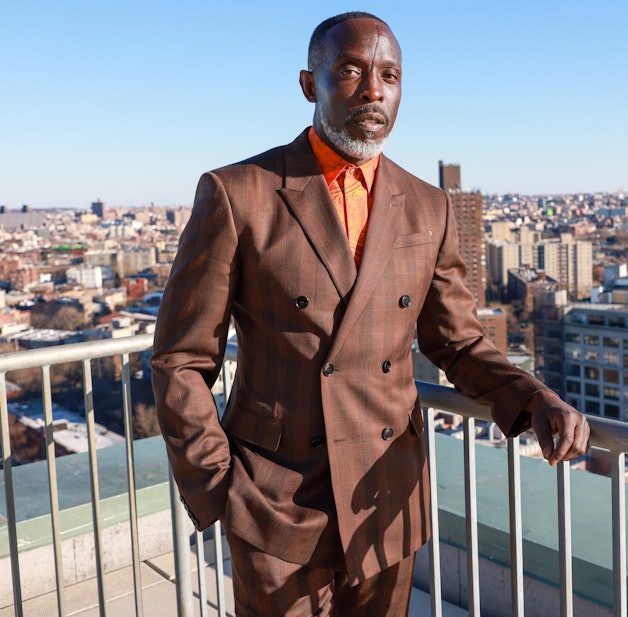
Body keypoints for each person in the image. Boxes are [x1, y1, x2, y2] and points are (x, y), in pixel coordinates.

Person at [151, 11, 590, 617]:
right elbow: (181, 358)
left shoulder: (428, 206)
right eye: (351, 70)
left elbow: (457, 341)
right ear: (310, 84)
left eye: (390, 74)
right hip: (275, 499)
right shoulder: (240, 192)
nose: (373, 90)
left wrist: (534, 396)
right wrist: (219, 487)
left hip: (387, 497)